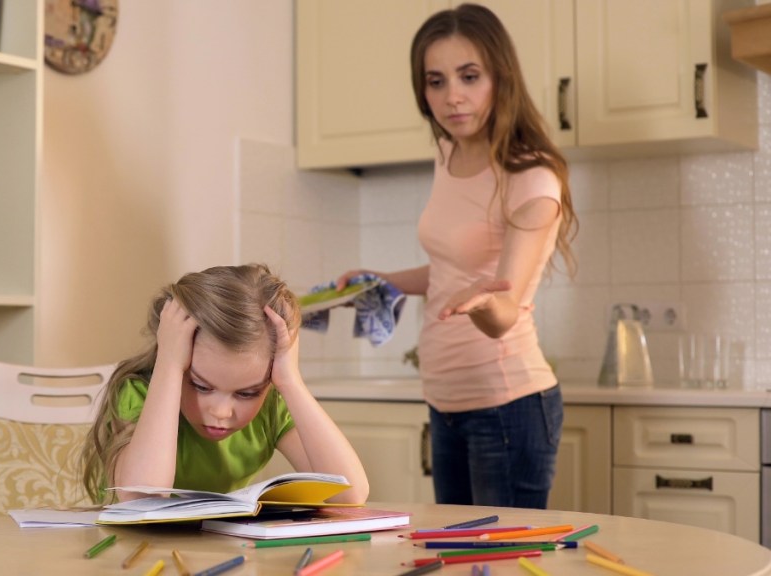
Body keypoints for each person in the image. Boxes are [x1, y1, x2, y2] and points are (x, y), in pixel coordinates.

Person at [335, 3, 577, 509]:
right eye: (436, 81)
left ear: (501, 77)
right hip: (444, 401)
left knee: (501, 562)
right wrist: (380, 281)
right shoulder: (449, 155)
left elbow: (503, 309)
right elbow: (453, 272)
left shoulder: (532, 179)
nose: (453, 97)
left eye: (469, 76)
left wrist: (480, 303)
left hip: (507, 404)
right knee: (456, 557)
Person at [82, 263, 369, 504]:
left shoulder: (271, 405)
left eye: (246, 393)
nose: (221, 412)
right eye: (201, 386)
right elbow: (139, 500)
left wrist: (291, 381)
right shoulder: (139, 392)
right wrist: (168, 364)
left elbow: (349, 494)